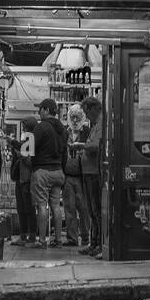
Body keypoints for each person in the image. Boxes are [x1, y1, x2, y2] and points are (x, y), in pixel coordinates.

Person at [31, 98, 67, 247]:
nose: (39, 112)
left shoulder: (41, 127)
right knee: (56, 206)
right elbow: (65, 153)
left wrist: (15, 144)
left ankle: (41, 240)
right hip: (58, 172)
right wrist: (62, 170)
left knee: (42, 206)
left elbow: (30, 148)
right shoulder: (62, 129)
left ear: (46, 110)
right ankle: (58, 240)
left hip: (43, 172)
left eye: (40, 109)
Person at [78, 95, 104, 256]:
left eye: (87, 112)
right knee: (91, 210)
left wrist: (82, 146)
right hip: (89, 172)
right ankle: (94, 243)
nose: (86, 116)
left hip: (95, 172)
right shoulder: (95, 124)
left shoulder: (101, 124)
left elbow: (97, 145)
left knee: (96, 210)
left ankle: (99, 244)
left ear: (95, 109)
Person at [62, 103, 89, 247]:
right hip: (67, 176)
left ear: (82, 117)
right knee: (69, 208)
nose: (75, 120)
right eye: (72, 117)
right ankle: (72, 238)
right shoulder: (65, 132)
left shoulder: (88, 132)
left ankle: (86, 237)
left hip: (82, 176)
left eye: (77, 117)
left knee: (84, 208)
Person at [9, 118, 37, 246]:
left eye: (25, 127)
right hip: (21, 178)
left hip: (27, 179)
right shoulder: (25, 141)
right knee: (21, 208)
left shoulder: (32, 141)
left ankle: (30, 236)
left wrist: (21, 154)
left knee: (28, 208)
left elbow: (31, 162)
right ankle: (23, 235)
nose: (24, 129)